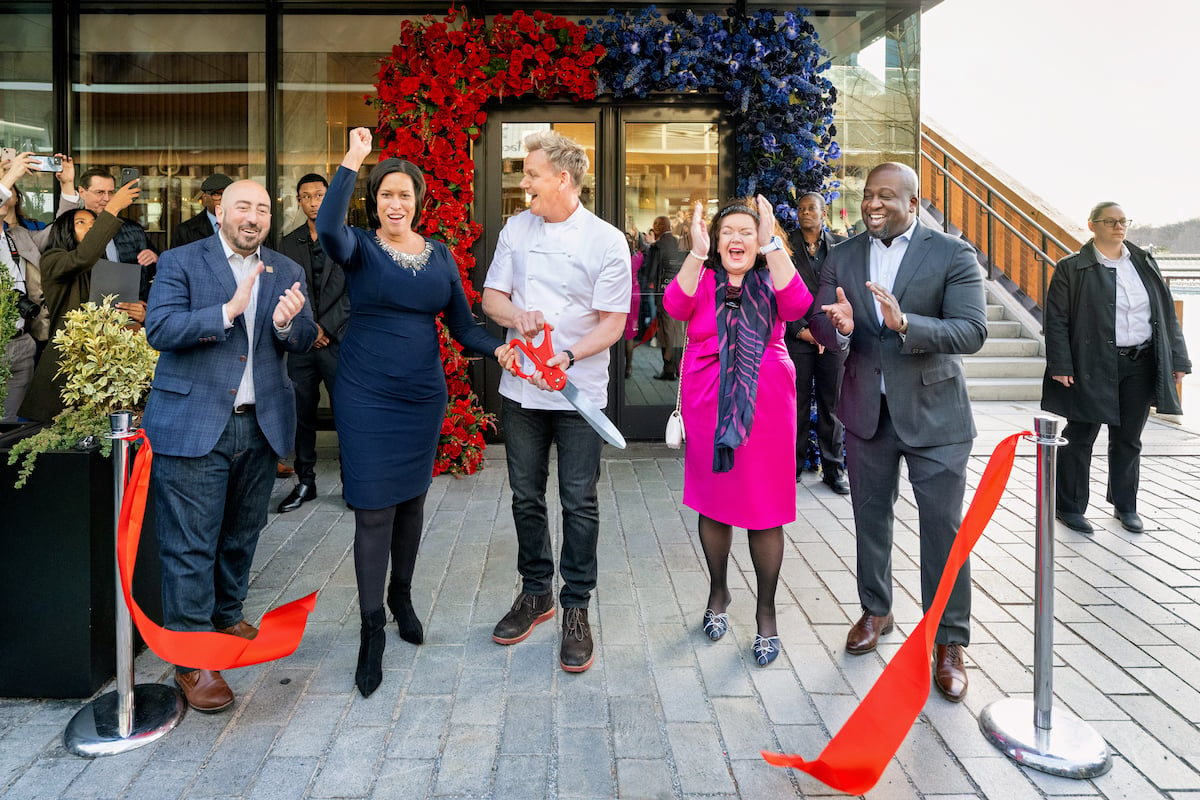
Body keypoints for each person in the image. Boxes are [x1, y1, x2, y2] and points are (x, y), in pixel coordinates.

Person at [319, 128, 513, 697]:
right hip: (364, 393)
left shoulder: (441, 257)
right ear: (374, 202)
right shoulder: (357, 245)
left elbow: (462, 326)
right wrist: (354, 159)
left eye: (404, 195)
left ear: (418, 201)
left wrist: (498, 346)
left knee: (411, 503)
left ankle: (401, 595)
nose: (395, 204)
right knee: (373, 510)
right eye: (385, 195)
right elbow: (327, 226)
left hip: (421, 396)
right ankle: (371, 628)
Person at [809, 162, 987, 702]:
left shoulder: (952, 254)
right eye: (868, 195)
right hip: (866, 411)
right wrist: (834, 325)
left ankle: (950, 640)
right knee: (869, 519)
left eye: (886, 196)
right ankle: (876, 610)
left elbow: (972, 331)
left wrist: (905, 323)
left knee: (943, 530)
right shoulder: (841, 255)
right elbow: (817, 322)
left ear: (914, 202)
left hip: (936, 417)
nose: (873, 204)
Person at [142, 179, 317, 713]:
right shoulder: (180, 261)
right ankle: (192, 656)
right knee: (191, 543)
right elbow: (159, 327)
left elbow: (307, 335)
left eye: (263, 209)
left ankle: (225, 615)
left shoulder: (288, 270)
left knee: (242, 532)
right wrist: (226, 311)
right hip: (195, 421)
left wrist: (288, 326)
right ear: (221, 211)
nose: (254, 216)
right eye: (243, 206)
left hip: (260, 424)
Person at [481, 130, 630, 674]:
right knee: (525, 496)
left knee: (578, 501)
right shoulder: (517, 229)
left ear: (562, 179)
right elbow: (491, 295)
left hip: (577, 395)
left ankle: (576, 607)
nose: (524, 184)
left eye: (532, 174)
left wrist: (564, 358)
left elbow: (613, 323)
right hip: (521, 390)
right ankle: (536, 592)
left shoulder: (606, 240)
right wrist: (514, 317)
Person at [663, 197, 811, 667]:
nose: (736, 239)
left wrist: (772, 243)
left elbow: (799, 304)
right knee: (715, 504)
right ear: (716, 240)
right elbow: (673, 304)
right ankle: (718, 592)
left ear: (761, 238)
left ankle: (766, 613)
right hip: (709, 405)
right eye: (728, 232)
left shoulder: (773, 278)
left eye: (747, 231)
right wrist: (694, 250)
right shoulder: (704, 280)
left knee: (766, 512)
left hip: (766, 409)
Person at [1041, 202, 1190, 535]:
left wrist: (1178, 360)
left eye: (1123, 221)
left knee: (1128, 439)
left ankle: (1126, 505)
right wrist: (1061, 364)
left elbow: (1166, 315)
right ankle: (1070, 507)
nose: (1119, 227)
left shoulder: (1144, 262)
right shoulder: (1072, 267)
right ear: (1092, 226)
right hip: (1090, 365)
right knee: (1080, 436)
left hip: (1140, 363)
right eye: (1110, 221)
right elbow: (1057, 320)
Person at [18, 180, 141, 423]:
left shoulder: (101, 266)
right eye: (81, 223)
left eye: (94, 224)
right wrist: (112, 208)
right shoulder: (53, 259)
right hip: (67, 362)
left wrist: (137, 312)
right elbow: (82, 258)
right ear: (65, 230)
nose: (90, 228)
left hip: (101, 362)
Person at [276, 173, 350, 513]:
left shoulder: (349, 239)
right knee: (301, 414)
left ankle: (353, 482)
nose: (313, 202)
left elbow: (355, 294)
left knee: (346, 412)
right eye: (306, 197)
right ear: (299, 201)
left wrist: (327, 329)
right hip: (303, 342)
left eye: (319, 195)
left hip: (339, 341)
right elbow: (285, 293)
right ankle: (306, 481)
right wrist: (309, 328)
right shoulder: (287, 244)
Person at [786, 191, 849, 493]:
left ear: (825, 214)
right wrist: (804, 331)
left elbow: (845, 293)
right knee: (795, 406)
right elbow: (779, 291)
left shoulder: (841, 247)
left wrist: (828, 331)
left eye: (812, 208)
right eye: (801, 208)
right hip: (798, 337)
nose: (805, 212)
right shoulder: (785, 247)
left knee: (831, 405)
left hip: (833, 337)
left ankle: (833, 470)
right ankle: (793, 468)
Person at [1, 151, 80, 363]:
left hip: (23, 341)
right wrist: (10, 176)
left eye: (9, 189)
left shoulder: (19, 235)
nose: (6, 191)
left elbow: (59, 232)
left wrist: (67, 185)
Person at [645, 215, 686, 380]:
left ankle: (669, 368)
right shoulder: (678, 243)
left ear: (658, 228)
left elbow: (651, 272)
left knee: (666, 331)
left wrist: (647, 285)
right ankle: (675, 367)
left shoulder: (658, 246)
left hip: (664, 295)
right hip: (680, 293)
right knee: (677, 331)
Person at [170, 173, 233, 248]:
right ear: (205, 198)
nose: (223, 199)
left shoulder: (242, 226)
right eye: (217, 194)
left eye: (227, 194)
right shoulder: (185, 231)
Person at [623, 231, 642, 379]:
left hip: (621, 294)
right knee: (630, 333)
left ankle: (617, 364)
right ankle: (628, 367)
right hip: (635, 294)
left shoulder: (620, 257)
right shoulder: (638, 257)